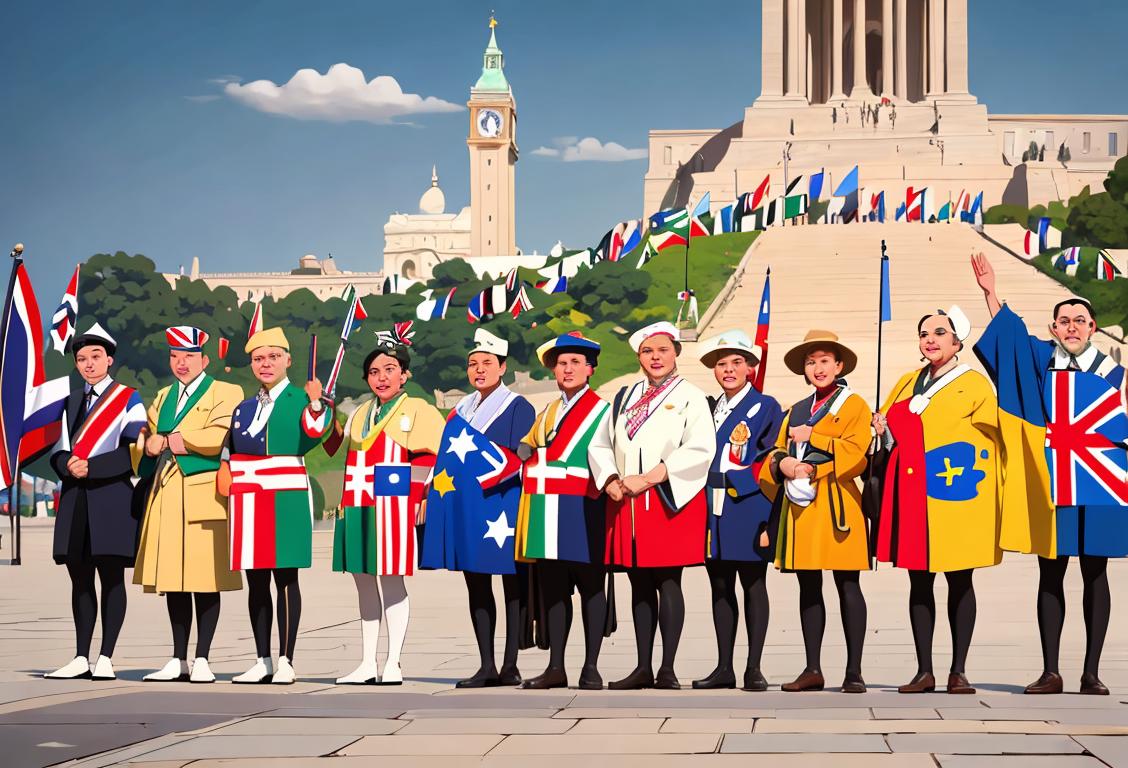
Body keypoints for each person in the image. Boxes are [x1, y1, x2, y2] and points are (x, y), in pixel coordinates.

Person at [971, 253, 1128, 695]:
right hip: (1053, 479)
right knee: (1051, 571)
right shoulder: (1042, 362)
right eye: (1064, 320)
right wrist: (991, 294)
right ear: (1054, 329)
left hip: (1101, 481)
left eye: (1080, 319)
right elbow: (1012, 345)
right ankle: (1051, 671)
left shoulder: (1118, 374)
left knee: (1096, 573)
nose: (1073, 326)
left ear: (1093, 328)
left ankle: (1092, 672)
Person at [872, 307, 1006, 694]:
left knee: (960, 580)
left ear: (957, 341)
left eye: (939, 333)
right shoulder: (905, 382)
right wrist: (881, 431)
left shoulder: (975, 385)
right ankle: (924, 670)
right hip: (912, 496)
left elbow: (990, 441)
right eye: (924, 333)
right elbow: (889, 436)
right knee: (919, 582)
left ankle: (959, 670)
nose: (929, 339)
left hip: (954, 498)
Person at [589, 321, 715, 690]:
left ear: (676, 352)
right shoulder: (624, 396)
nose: (655, 357)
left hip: (666, 498)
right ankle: (642, 664)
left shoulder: (691, 395)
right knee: (638, 581)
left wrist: (651, 476)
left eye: (662, 350)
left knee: (668, 579)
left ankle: (668, 668)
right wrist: (610, 479)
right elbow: (601, 443)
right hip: (626, 502)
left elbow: (700, 447)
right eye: (647, 351)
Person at [419, 328, 536, 687]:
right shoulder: (460, 409)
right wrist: (427, 493)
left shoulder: (518, 406)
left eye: (487, 363)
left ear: (502, 367)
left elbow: (522, 454)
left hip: (502, 502)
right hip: (467, 505)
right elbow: (445, 461)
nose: (479, 370)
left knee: (511, 583)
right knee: (476, 583)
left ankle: (511, 663)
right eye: (473, 364)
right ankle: (486, 663)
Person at [218, 327, 334, 685]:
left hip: (285, 495)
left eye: (272, 357)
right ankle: (262, 658)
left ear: (288, 360)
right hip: (249, 496)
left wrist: (316, 401)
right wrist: (225, 465)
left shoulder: (303, 398)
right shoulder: (245, 406)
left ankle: (286, 658)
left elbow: (316, 432)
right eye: (258, 359)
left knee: (285, 577)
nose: (265, 364)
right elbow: (231, 444)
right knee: (255, 580)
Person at [759, 330, 872, 693]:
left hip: (838, 502)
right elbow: (773, 454)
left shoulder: (854, 404)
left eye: (825, 361)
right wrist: (786, 464)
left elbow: (858, 453)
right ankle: (812, 668)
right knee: (808, 586)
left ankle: (854, 670)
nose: (818, 368)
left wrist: (815, 447)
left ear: (839, 365)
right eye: (811, 362)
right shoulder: (794, 409)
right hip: (800, 507)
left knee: (847, 584)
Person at [330, 334, 444, 685]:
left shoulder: (418, 409)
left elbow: (428, 458)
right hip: (358, 503)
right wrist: (322, 409)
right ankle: (367, 662)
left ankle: (393, 661)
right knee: (363, 582)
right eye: (375, 371)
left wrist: (415, 501)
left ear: (404, 374)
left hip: (393, 508)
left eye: (390, 369)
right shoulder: (360, 412)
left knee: (392, 582)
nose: (382, 377)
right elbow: (335, 445)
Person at [134, 326, 243, 683]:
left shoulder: (226, 391)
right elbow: (146, 440)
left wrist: (168, 440)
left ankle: (203, 658)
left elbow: (219, 434)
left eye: (189, 357)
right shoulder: (163, 395)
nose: (181, 363)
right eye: (175, 356)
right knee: (174, 580)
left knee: (205, 579)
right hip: (166, 493)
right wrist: (146, 446)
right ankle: (178, 657)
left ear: (204, 359)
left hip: (204, 492)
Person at [45, 323, 147, 681]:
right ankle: (80, 655)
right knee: (80, 579)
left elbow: (134, 449)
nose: (89, 364)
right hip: (76, 499)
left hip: (113, 498)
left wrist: (93, 466)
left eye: (96, 356)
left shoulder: (129, 398)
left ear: (110, 359)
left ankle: (106, 655)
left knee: (111, 577)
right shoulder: (71, 402)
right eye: (82, 359)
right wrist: (67, 465)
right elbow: (57, 448)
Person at [514, 332, 611, 690]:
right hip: (546, 508)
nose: (567, 369)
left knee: (590, 587)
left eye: (575, 362)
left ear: (590, 368)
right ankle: (556, 665)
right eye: (561, 363)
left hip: (585, 506)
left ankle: (591, 666)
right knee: (553, 590)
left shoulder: (603, 410)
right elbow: (528, 446)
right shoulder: (549, 410)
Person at [692, 330, 783, 691]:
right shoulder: (708, 407)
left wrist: (739, 483)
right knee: (719, 585)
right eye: (721, 364)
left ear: (750, 367)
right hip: (711, 507)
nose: (728, 370)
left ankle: (754, 667)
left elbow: (768, 456)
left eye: (736, 363)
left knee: (753, 583)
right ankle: (724, 666)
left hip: (748, 504)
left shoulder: (767, 406)